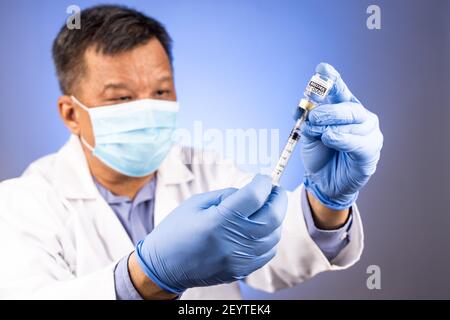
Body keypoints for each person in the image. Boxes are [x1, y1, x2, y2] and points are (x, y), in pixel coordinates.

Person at [0, 5, 382, 299]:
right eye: (122, 97)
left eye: (162, 91)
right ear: (71, 113)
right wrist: (145, 276)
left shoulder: (208, 171)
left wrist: (328, 202)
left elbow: (276, 251)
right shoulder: (22, 205)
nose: (148, 108)